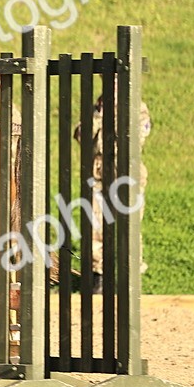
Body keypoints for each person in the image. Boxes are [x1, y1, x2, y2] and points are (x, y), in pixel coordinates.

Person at [74, 92, 151, 284]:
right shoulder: (95, 108)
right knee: (95, 226)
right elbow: (81, 135)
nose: (114, 85)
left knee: (130, 226)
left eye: (117, 80)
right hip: (99, 176)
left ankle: (131, 275)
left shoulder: (137, 106)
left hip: (127, 177)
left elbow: (137, 137)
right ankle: (98, 275)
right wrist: (98, 116)